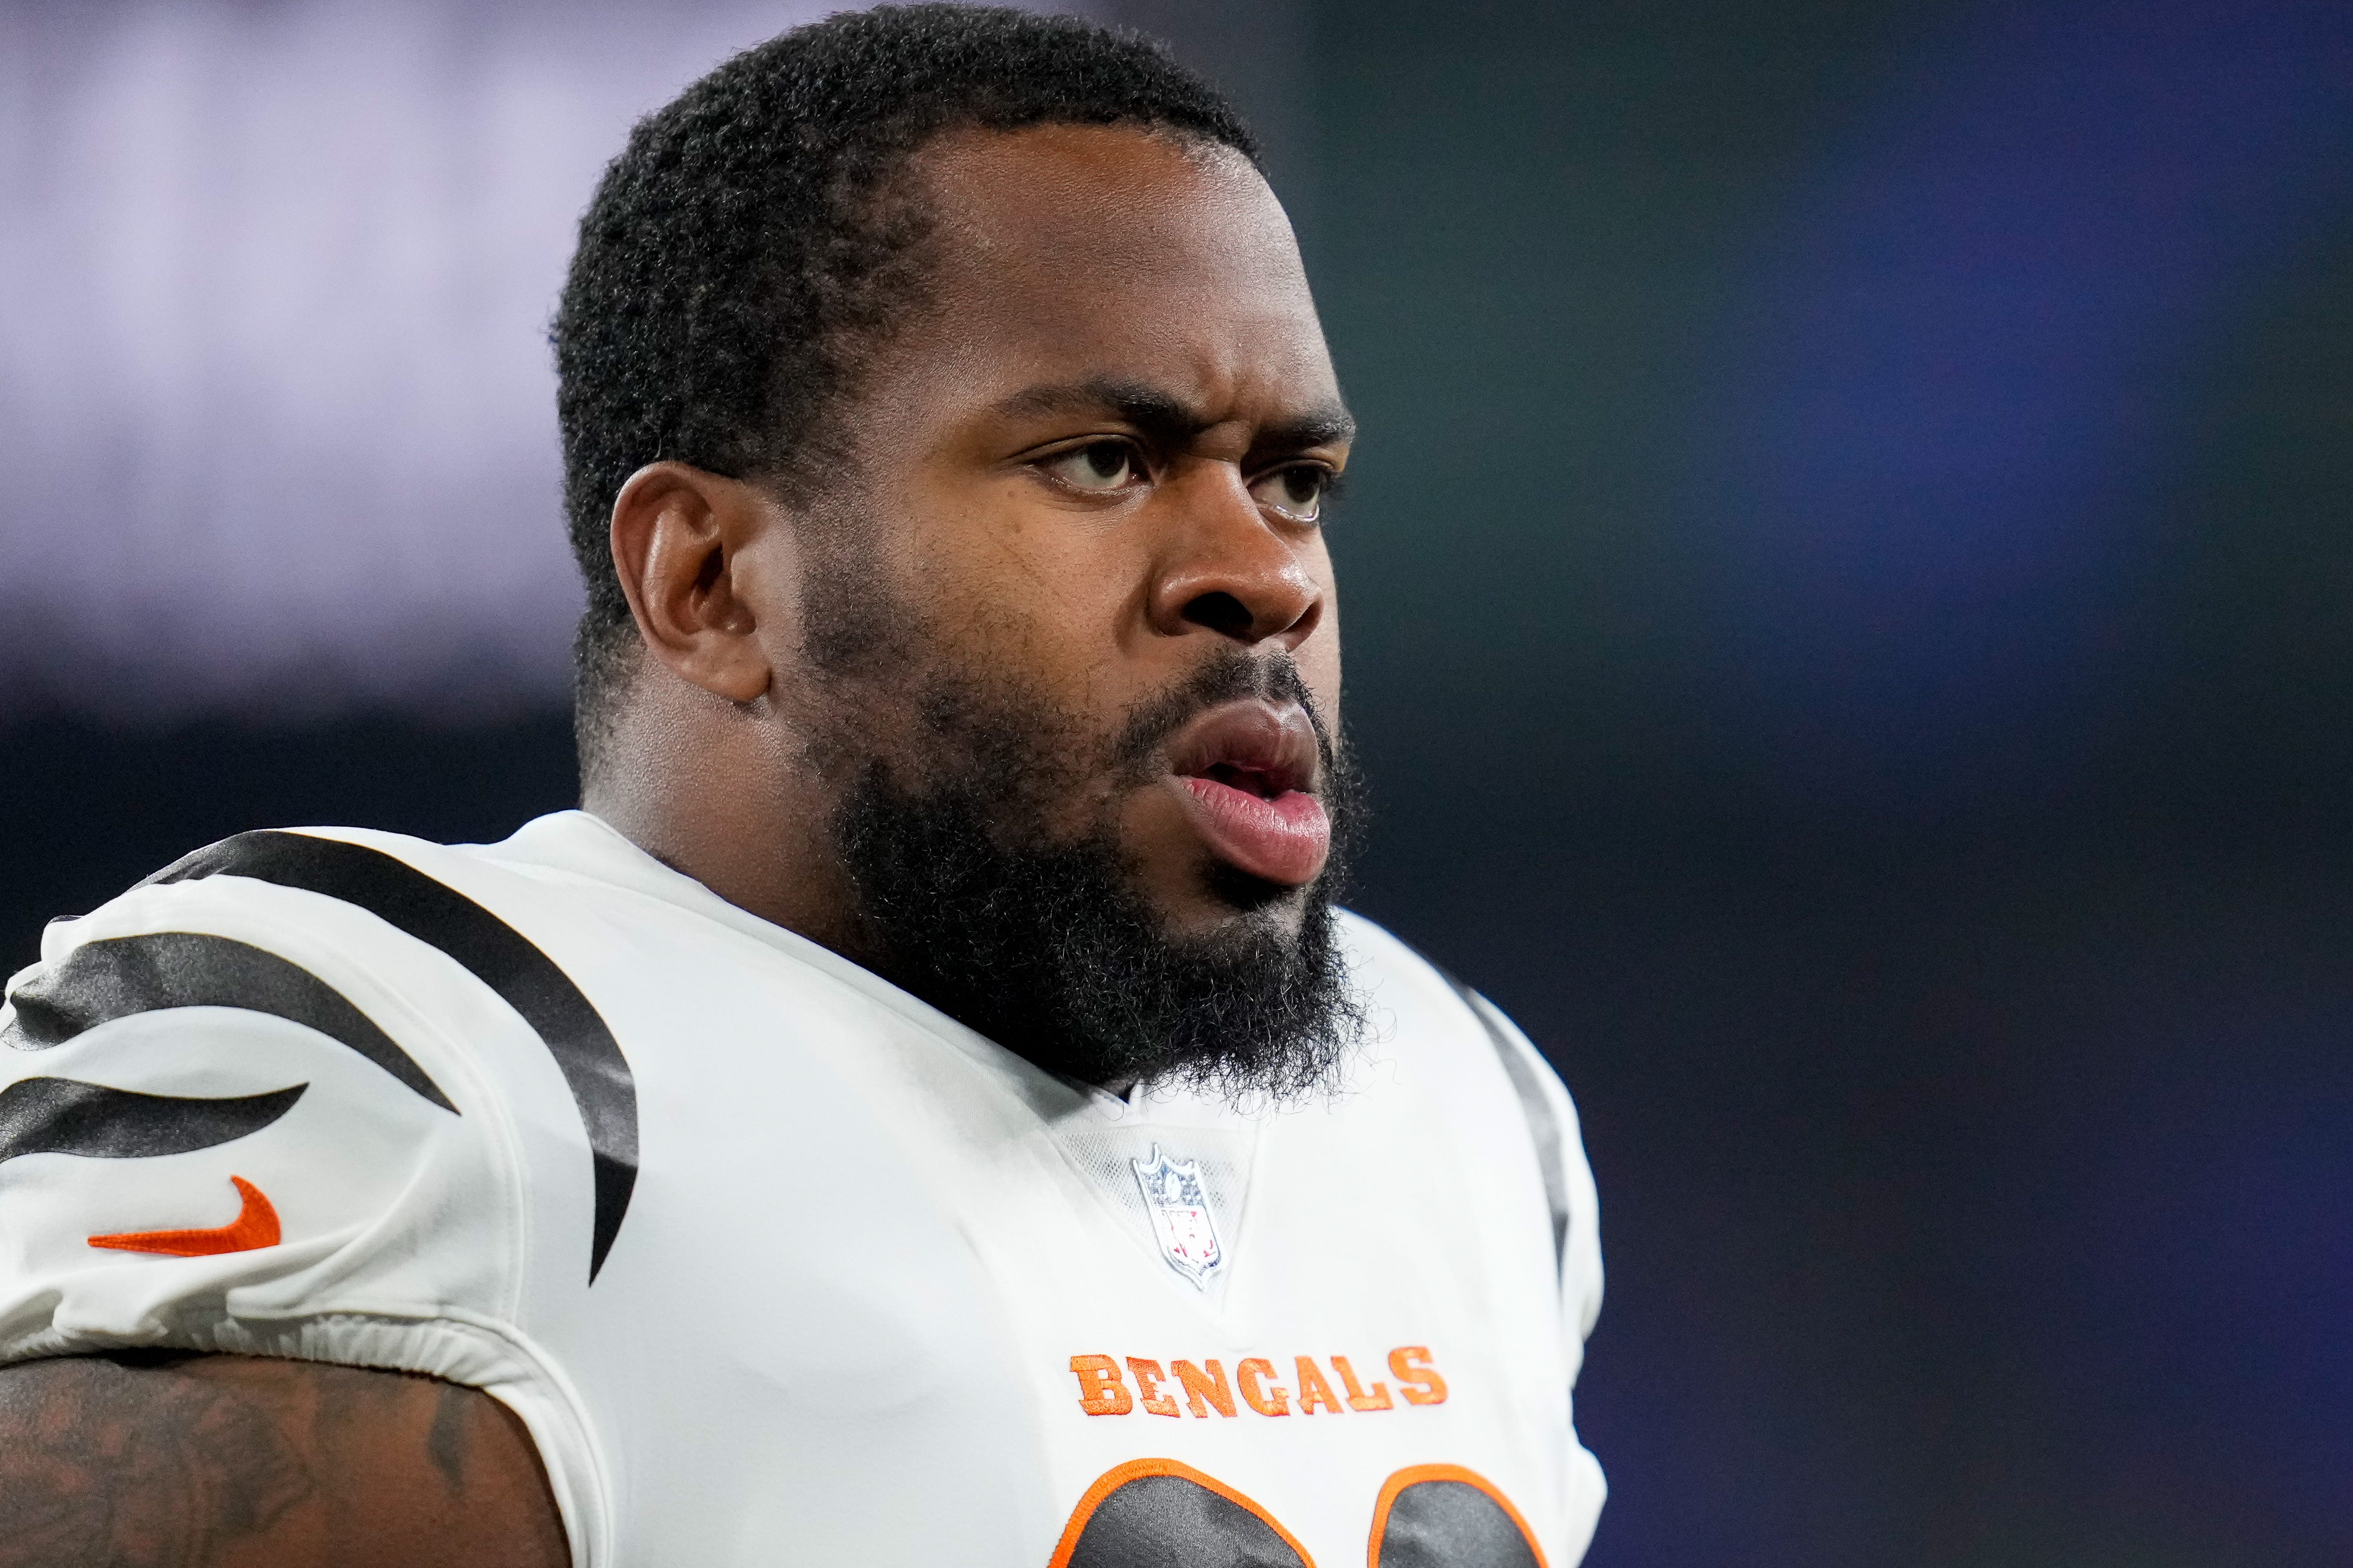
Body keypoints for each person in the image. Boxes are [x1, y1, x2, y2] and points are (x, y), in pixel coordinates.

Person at [0, 8, 1604, 1564]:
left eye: (1293, 482)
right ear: (709, 583)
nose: (1263, 577)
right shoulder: (447, 1081)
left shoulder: (1460, 1111)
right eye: (1103, 461)